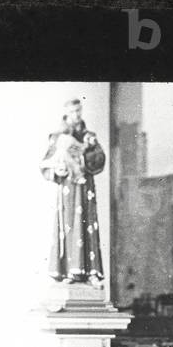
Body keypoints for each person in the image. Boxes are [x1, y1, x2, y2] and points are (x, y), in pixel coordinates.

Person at [39, 98, 105, 284]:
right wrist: (57, 170)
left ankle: (91, 272)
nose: (77, 115)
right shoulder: (57, 137)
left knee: (88, 223)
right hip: (67, 189)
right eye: (73, 111)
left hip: (84, 188)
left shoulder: (89, 136)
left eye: (79, 111)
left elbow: (99, 159)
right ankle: (67, 272)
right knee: (68, 225)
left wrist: (85, 154)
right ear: (66, 113)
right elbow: (46, 164)